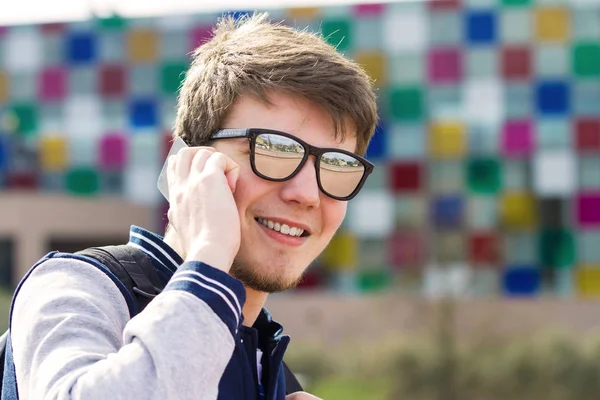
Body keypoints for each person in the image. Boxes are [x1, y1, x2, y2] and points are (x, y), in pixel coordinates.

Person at [7, 12, 378, 400]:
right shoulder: (78, 289)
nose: (307, 194)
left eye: (336, 164)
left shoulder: (267, 367)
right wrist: (210, 254)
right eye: (273, 148)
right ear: (187, 163)